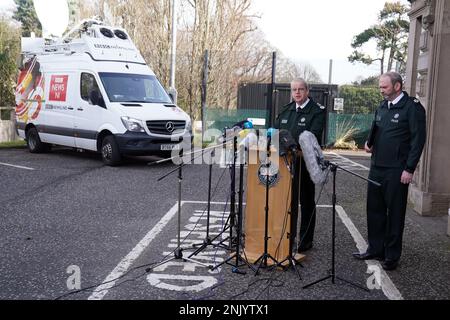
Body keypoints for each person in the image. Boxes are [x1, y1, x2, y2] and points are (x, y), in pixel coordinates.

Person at [353, 72, 426, 271]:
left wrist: (409, 169)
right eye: (380, 87)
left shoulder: (412, 108)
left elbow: (418, 141)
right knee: (374, 210)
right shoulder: (383, 106)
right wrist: (369, 142)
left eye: (384, 87)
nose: (381, 91)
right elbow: (375, 127)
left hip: (397, 170)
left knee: (394, 213)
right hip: (377, 167)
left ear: (397, 86)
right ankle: (375, 248)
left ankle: (392, 255)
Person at [274, 78, 326, 253]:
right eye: (294, 89)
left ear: (307, 91)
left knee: (306, 201)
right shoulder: (286, 111)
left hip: (304, 164)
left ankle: (305, 240)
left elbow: (313, 137)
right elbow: (274, 133)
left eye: (300, 89)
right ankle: (289, 237)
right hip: (285, 164)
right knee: (289, 201)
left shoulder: (317, 112)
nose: (297, 92)